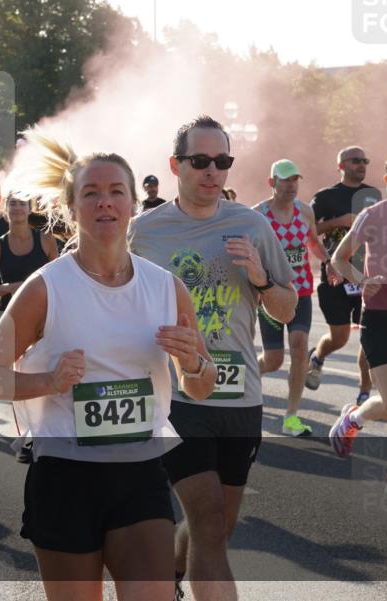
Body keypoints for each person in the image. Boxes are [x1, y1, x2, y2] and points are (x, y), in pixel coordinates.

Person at [0, 136, 215, 601]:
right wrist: (49, 381)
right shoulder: (46, 288)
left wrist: (193, 361)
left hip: (141, 472)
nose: (105, 201)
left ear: (132, 203)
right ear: (71, 206)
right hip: (65, 476)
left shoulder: (167, 288)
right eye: (91, 193)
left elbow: (201, 388)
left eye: (116, 191)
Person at [128, 115, 297, 601]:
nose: (212, 171)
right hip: (175, 395)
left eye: (222, 161)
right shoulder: (145, 232)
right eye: (199, 161)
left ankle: (172, 578)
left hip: (239, 396)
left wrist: (262, 277)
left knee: (216, 527)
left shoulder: (251, 225)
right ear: (175, 165)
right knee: (204, 517)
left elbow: (284, 310)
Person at [328, 149, 387, 501]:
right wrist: (359, 279)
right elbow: (340, 258)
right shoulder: (374, 215)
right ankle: (353, 418)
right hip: (381, 318)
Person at [0, 192, 58, 463]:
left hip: (46, 316)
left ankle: (44, 432)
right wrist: (14, 288)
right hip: (11, 315)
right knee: (19, 376)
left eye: (22, 204)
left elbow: (61, 281)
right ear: (5, 208)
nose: (18, 208)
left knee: (46, 372)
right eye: (12, 203)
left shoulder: (46, 241)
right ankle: (25, 436)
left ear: (30, 208)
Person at [253, 159, 328, 436]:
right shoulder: (258, 215)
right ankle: (250, 375)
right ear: (271, 183)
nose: (291, 185)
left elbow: (313, 244)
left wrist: (329, 263)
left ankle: (291, 417)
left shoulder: (305, 211)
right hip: (271, 294)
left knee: (299, 346)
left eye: (295, 179)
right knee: (273, 359)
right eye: (284, 180)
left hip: (302, 292)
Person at [308, 146, 382, 405]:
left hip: (367, 277)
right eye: (355, 161)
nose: (361, 165)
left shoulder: (374, 195)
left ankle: (364, 392)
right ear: (340, 166)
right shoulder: (326, 196)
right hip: (336, 276)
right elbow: (309, 230)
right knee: (339, 338)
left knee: (368, 336)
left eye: (365, 160)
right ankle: (317, 357)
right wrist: (339, 221)